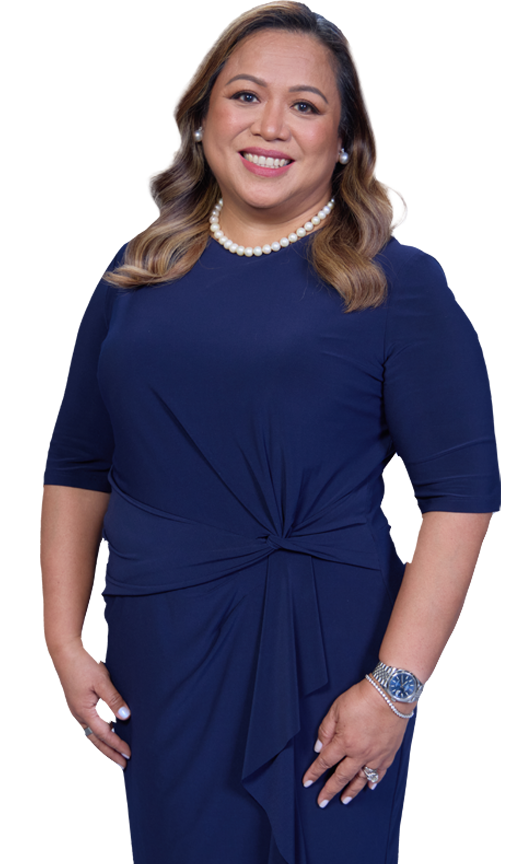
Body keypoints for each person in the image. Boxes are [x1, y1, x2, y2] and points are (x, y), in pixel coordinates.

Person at [40, 3, 500, 863]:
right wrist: (63, 641)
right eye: (246, 95)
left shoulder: (397, 282)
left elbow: (458, 496)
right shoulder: (130, 280)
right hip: (162, 649)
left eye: (305, 105)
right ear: (201, 115)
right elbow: (77, 463)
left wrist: (395, 689)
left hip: (333, 653)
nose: (269, 126)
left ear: (345, 140)